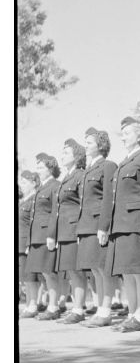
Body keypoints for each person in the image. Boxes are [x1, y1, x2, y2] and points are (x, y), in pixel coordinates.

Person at [104, 117, 140, 332]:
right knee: (127, 272)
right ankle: (132, 313)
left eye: (127, 132)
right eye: (122, 133)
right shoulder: (125, 160)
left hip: (136, 222)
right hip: (121, 224)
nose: (123, 136)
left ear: (139, 135)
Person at [75, 128, 118, 327]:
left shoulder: (108, 166)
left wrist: (104, 226)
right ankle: (100, 309)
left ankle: (106, 311)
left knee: (103, 269)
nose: (86, 145)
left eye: (90, 142)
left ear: (101, 145)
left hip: (97, 225)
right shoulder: (87, 170)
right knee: (95, 269)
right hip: (85, 225)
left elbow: (108, 198)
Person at [52, 139, 87, 324]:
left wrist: (80, 230)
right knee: (71, 272)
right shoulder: (67, 176)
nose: (62, 155)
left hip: (74, 229)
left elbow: (83, 204)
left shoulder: (80, 175)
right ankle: (76, 308)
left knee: (77, 271)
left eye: (66, 152)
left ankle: (79, 309)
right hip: (65, 230)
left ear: (76, 156)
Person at [24, 153, 62, 320]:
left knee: (49, 272)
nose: (37, 170)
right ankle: (50, 306)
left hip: (46, 235)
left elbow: (55, 212)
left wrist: (52, 235)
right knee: (43, 273)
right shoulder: (40, 188)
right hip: (36, 236)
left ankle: (53, 307)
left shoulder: (55, 185)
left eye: (40, 167)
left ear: (50, 168)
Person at [18, 171, 40, 317]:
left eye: (25, 182)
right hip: (19, 243)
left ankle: (33, 305)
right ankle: (28, 304)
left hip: (27, 243)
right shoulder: (23, 200)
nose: (22, 185)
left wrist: (28, 243)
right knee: (24, 278)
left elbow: (34, 223)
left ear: (33, 184)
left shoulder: (34, 199)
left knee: (30, 277)